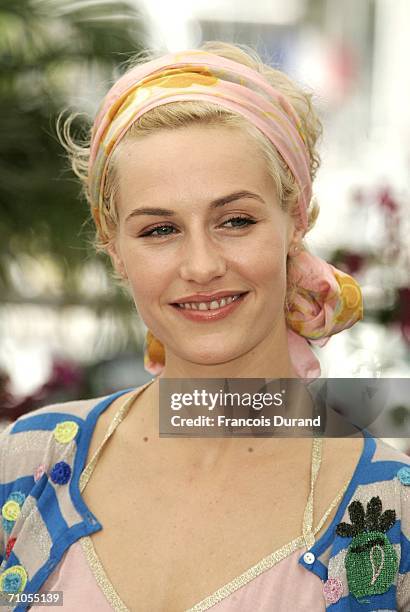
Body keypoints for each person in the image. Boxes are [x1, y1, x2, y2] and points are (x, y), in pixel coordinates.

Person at [0, 41, 409, 612]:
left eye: (235, 220)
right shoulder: (27, 462)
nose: (201, 266)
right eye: (159, 230)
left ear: (295, 220)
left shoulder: (392, 505)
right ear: (113, 246)